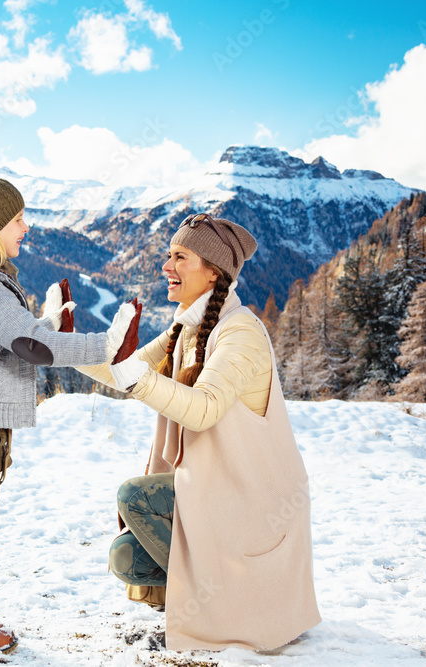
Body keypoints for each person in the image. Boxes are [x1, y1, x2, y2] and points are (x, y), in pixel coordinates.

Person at [77, 212, 321, 651]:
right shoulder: (184, 329)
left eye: (180, 257)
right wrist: (60, 344)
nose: (166, 267)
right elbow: (122, 371)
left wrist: (140, 378)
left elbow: (204, 409)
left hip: (252, 500)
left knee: (135, 496)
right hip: (215, 492)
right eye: (169, 255)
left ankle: (239, 603)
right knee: (125, 557)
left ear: (213, 272)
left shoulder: (239, 331)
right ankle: (208, 597)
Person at [0, 175, 139, 654]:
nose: (26, 227)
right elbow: (30, 347)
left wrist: (48, 322)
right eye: (17, 219)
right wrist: (107, 344)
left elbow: (18, 339)